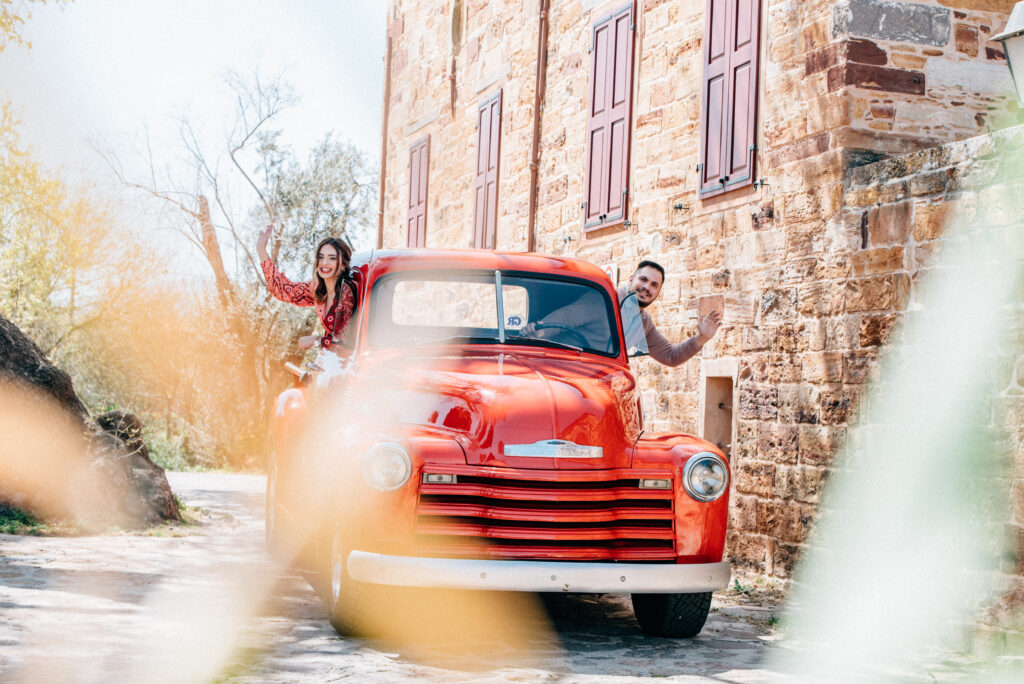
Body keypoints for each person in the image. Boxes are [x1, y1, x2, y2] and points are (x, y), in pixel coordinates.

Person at [257, 226, 356, 351]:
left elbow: (348, 342)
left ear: (343, 265)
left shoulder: (348, 292)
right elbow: (282, 290)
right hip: (333, 361)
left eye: (332, 258)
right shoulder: (318, 290)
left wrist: (316, 339)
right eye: (321, 257)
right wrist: (261, 250)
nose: (324, 263)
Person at [622, 259, 721, 367]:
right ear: (631, 279)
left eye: (654, 285)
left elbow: (670, 356)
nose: (647, 287)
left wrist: (703, 337)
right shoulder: (606, 298)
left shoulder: (644, 322)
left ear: (658, 292)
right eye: (643, 279)